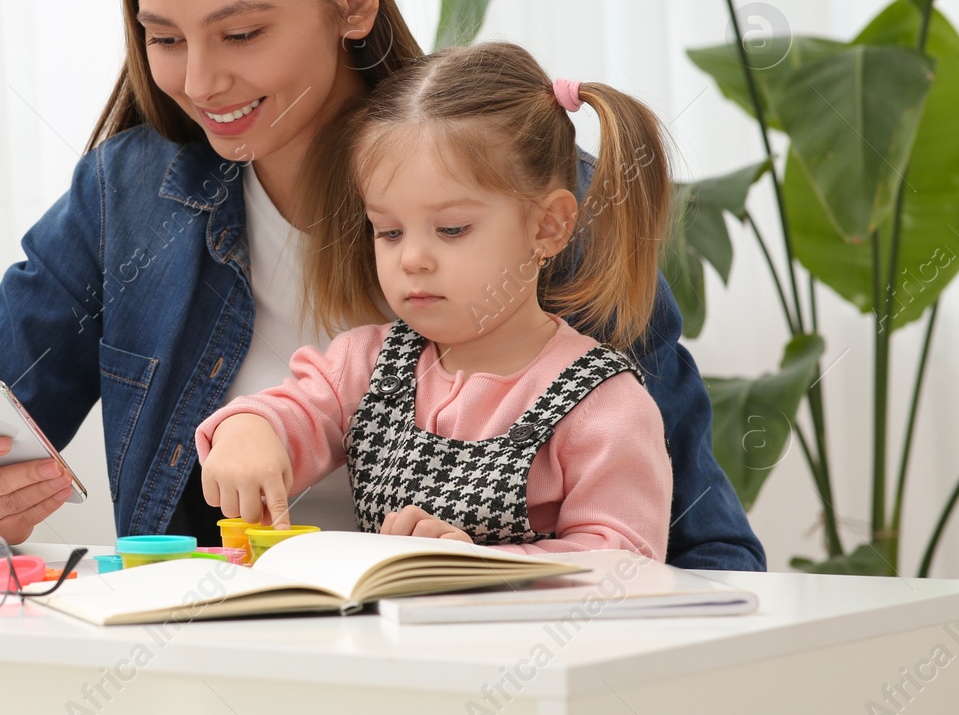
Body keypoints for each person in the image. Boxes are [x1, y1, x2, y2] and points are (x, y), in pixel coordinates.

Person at [0, 0, 765, 569]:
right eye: (163, 38)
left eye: (241, 32)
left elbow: (704, 544)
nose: (200, 80)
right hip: (236, 668)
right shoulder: (124, 201)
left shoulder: (535, 192)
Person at [196, 43, 673, 558]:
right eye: (389, 231)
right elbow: (295, 412)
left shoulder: (604, 404)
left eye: (451, 229)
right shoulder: (365, 364)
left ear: (549, 225)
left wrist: (475, 564)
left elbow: (625, 561)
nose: (413, 260)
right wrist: (249, 429)